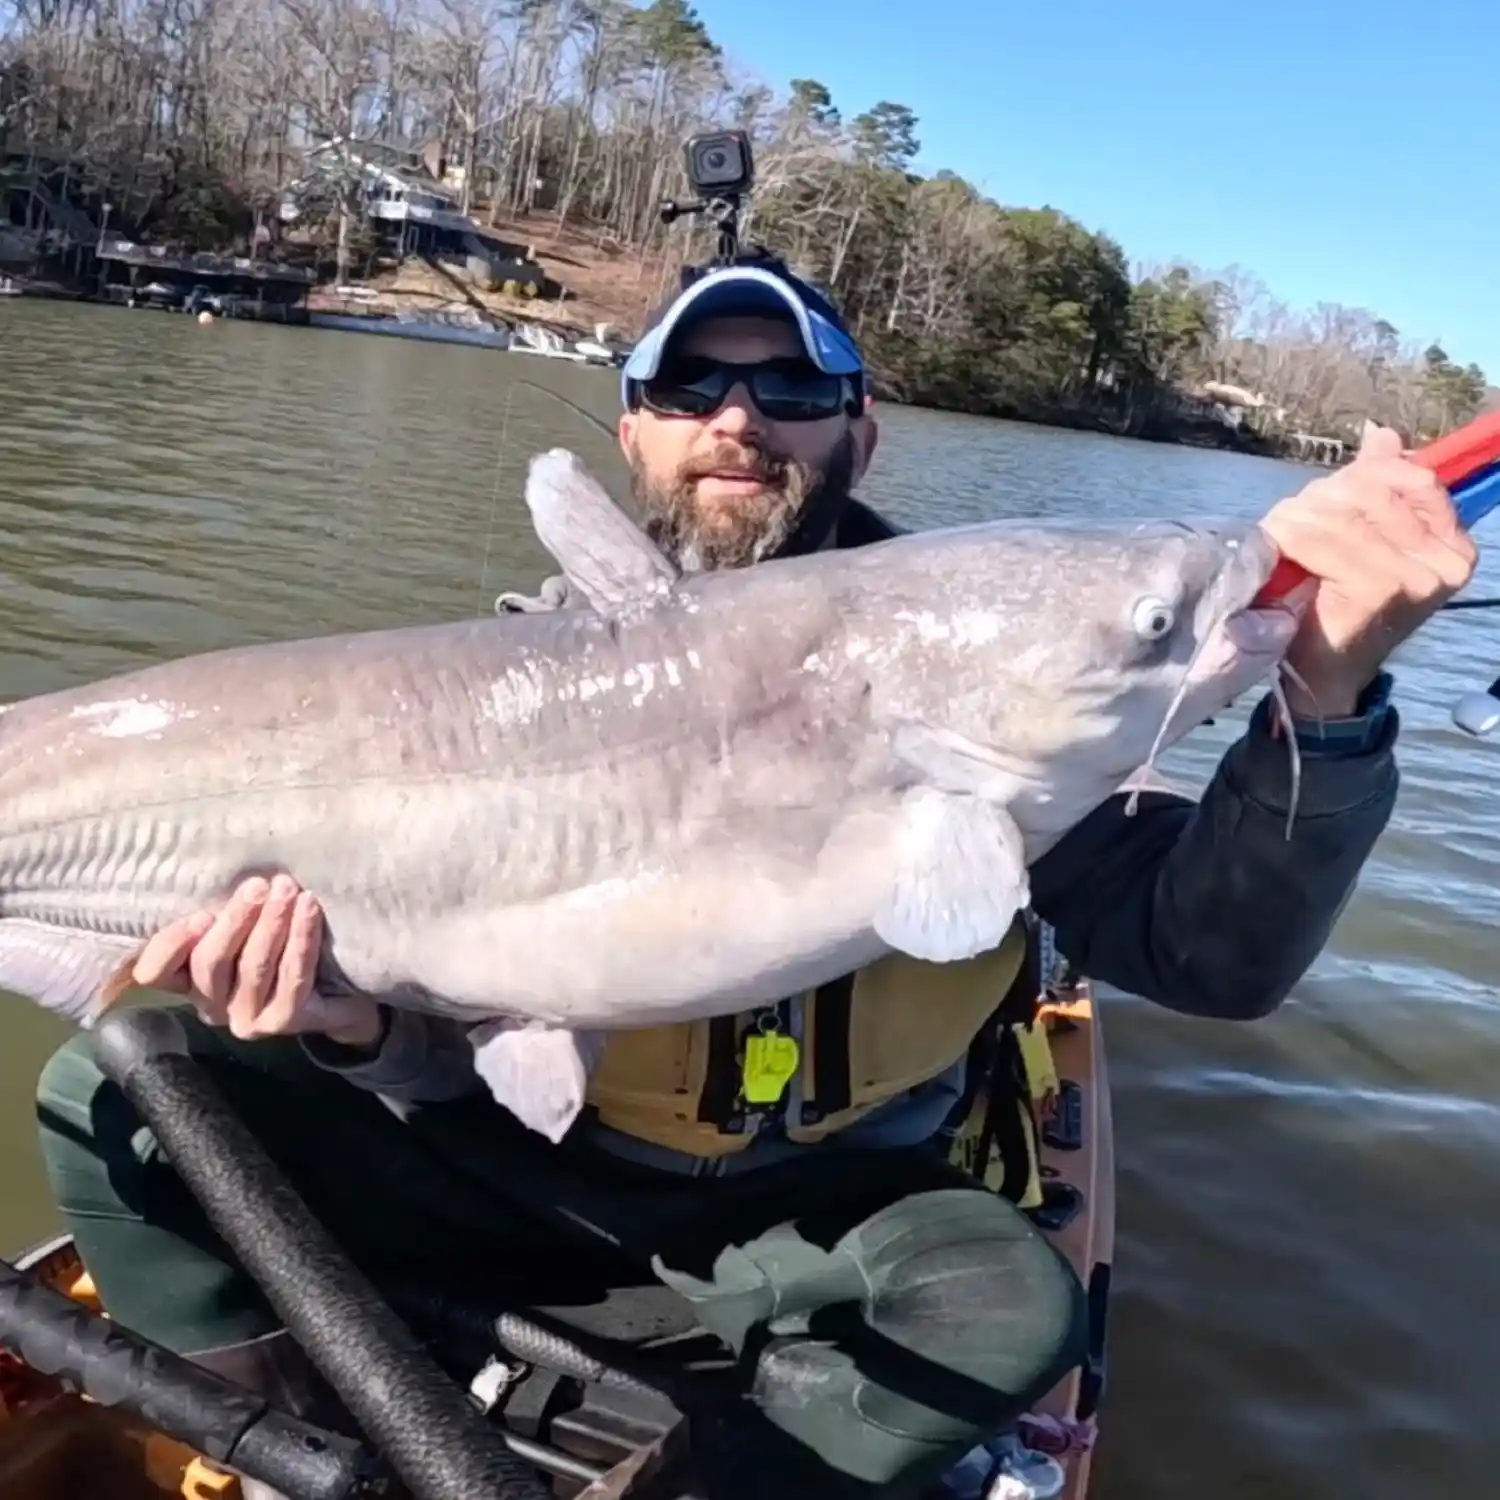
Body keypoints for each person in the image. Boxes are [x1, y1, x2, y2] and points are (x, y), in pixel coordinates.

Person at [35, 255, 1475, 1500]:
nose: (739, 421)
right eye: (692, 392)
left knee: (1003, 1302)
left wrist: (1330, 699)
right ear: (631, 433)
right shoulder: (490, 683)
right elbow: (449, 1064)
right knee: (115, 1091)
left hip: (820, 1211)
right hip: (519, 1171)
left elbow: (1213, 960)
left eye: (791, 389)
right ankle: (264, 1442)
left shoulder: (1006, 704)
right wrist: (344, 1025)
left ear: (864, 432)